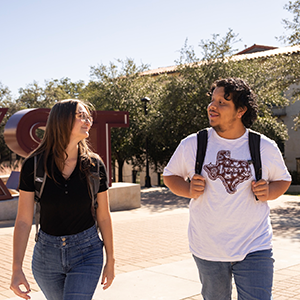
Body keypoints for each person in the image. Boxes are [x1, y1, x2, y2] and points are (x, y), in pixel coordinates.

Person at [163, 78, 291, 300]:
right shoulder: (194, 143)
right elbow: (170, 176)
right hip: (208, 247)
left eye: (222, 102)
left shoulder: (263, 146)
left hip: (255, 245)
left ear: (240, 110)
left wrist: (269, 192)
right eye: (213, 100)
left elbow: (283, 180)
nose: (213, 106)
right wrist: (188, 189)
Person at [10, 99, 115, 300]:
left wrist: (111, 260)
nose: (87, 121)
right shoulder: (34, 164)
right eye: (80, 116)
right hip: (46, 258)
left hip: (87, 253)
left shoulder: (94, 165)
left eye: (88, 117)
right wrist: (16, 269)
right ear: (61, 119)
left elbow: (103, 216)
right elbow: (23, 220)